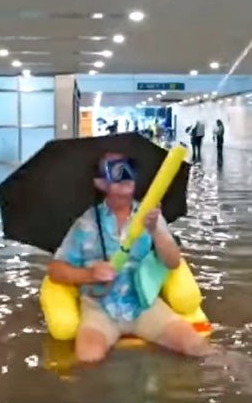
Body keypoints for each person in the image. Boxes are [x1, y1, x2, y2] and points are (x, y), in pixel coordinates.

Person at [47, 153, 211, 362]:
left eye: (129, 168)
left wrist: (156, 230)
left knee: (198, 348)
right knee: (88, 359)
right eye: (116, 171)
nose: (125, 175)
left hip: (144, 304)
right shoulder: (85, 223)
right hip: (99, 308)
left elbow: (173, 262)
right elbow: (55, 269)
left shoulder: (150, 216)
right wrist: (90, 274)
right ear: (100, 183)